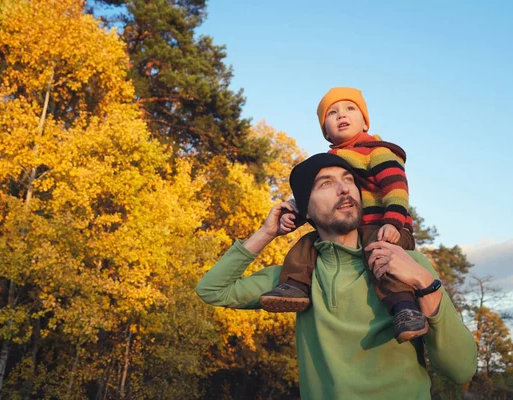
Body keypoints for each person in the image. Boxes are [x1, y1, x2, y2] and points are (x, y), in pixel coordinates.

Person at [195, 153, 476, 399]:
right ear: (304, 209)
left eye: (348, 179)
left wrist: (424, 282)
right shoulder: (296, 282)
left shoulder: (407, 264)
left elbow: (461, 369)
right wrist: (267, 233)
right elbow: (212, 290)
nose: (344, 189)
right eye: (326, 183)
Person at [260, 87, 423, 343]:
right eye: (332, 113)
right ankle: (295, 286)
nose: (341, 115)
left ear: (365, 121)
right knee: (308, 243)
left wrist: (393, 221)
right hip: (352, 231)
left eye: (350, 109)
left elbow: (396, 189)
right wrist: (297, 214)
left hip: (386, 226)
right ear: (325, 130)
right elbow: (323, 197)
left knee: (381, 255)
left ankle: (404, 308)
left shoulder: (377, 151)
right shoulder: (331, 160)